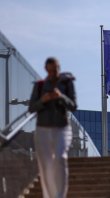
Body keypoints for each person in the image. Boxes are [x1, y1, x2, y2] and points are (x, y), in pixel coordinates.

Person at [29, 57, 77, 198]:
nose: (53, 73)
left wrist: (61, 96)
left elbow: (73, 106)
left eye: (55, 69)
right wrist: (43, 100)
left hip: (61, 127)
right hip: (42, 128)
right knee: (46, 166)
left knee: (60, 158)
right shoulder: (39, 85)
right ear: (46, 70)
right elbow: (32, 108)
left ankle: (60, 195)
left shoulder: (67, 83)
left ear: (59, 68)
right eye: (50, 70)